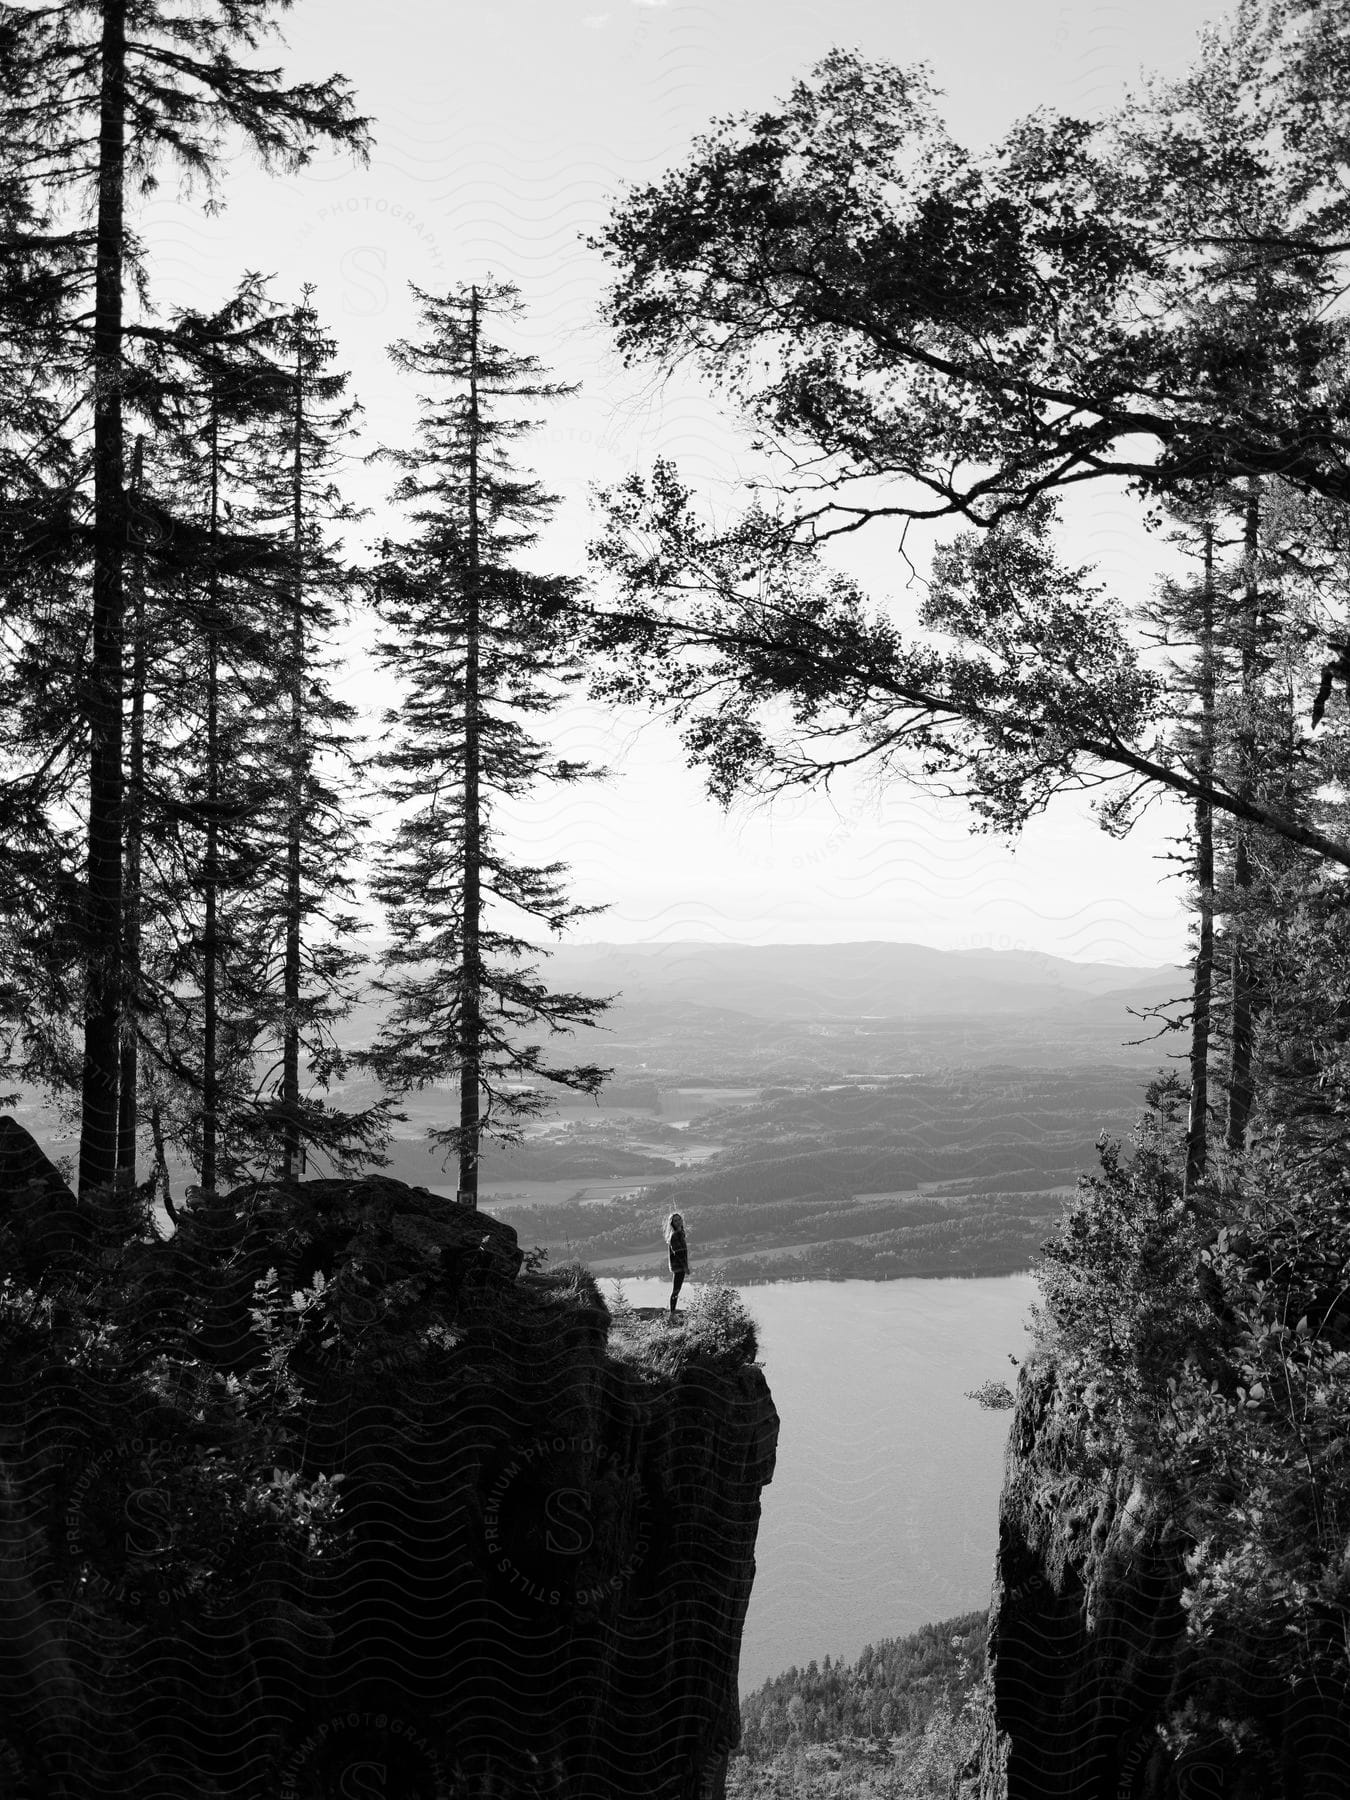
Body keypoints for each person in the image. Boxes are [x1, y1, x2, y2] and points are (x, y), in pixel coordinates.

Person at [663, 1211, 689, 1316]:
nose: (678, 1222)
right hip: (678, 1267)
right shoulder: (675, 1235)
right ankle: (672, 1313)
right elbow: (678, 1253)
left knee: (677, 1289)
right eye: (675, 1220)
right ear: (672, 1223)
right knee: (676, 1290)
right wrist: (685, 1267)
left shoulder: (680, 1233)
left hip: (679, 1266)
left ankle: (672, 1311)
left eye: (679, 1219)